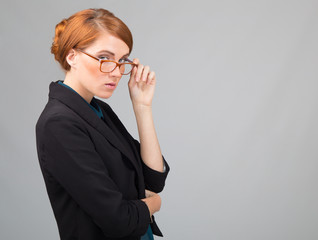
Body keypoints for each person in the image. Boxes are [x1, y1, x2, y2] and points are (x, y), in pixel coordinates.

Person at [35, 8, 170, 240]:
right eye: (104, 58)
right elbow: (119, 220)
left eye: (122, 60)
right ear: (72, 56)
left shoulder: (98, 109)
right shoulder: (58, 124)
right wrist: (153, 205)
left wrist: (142, 107)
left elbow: (154, 179)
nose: (117, 72)